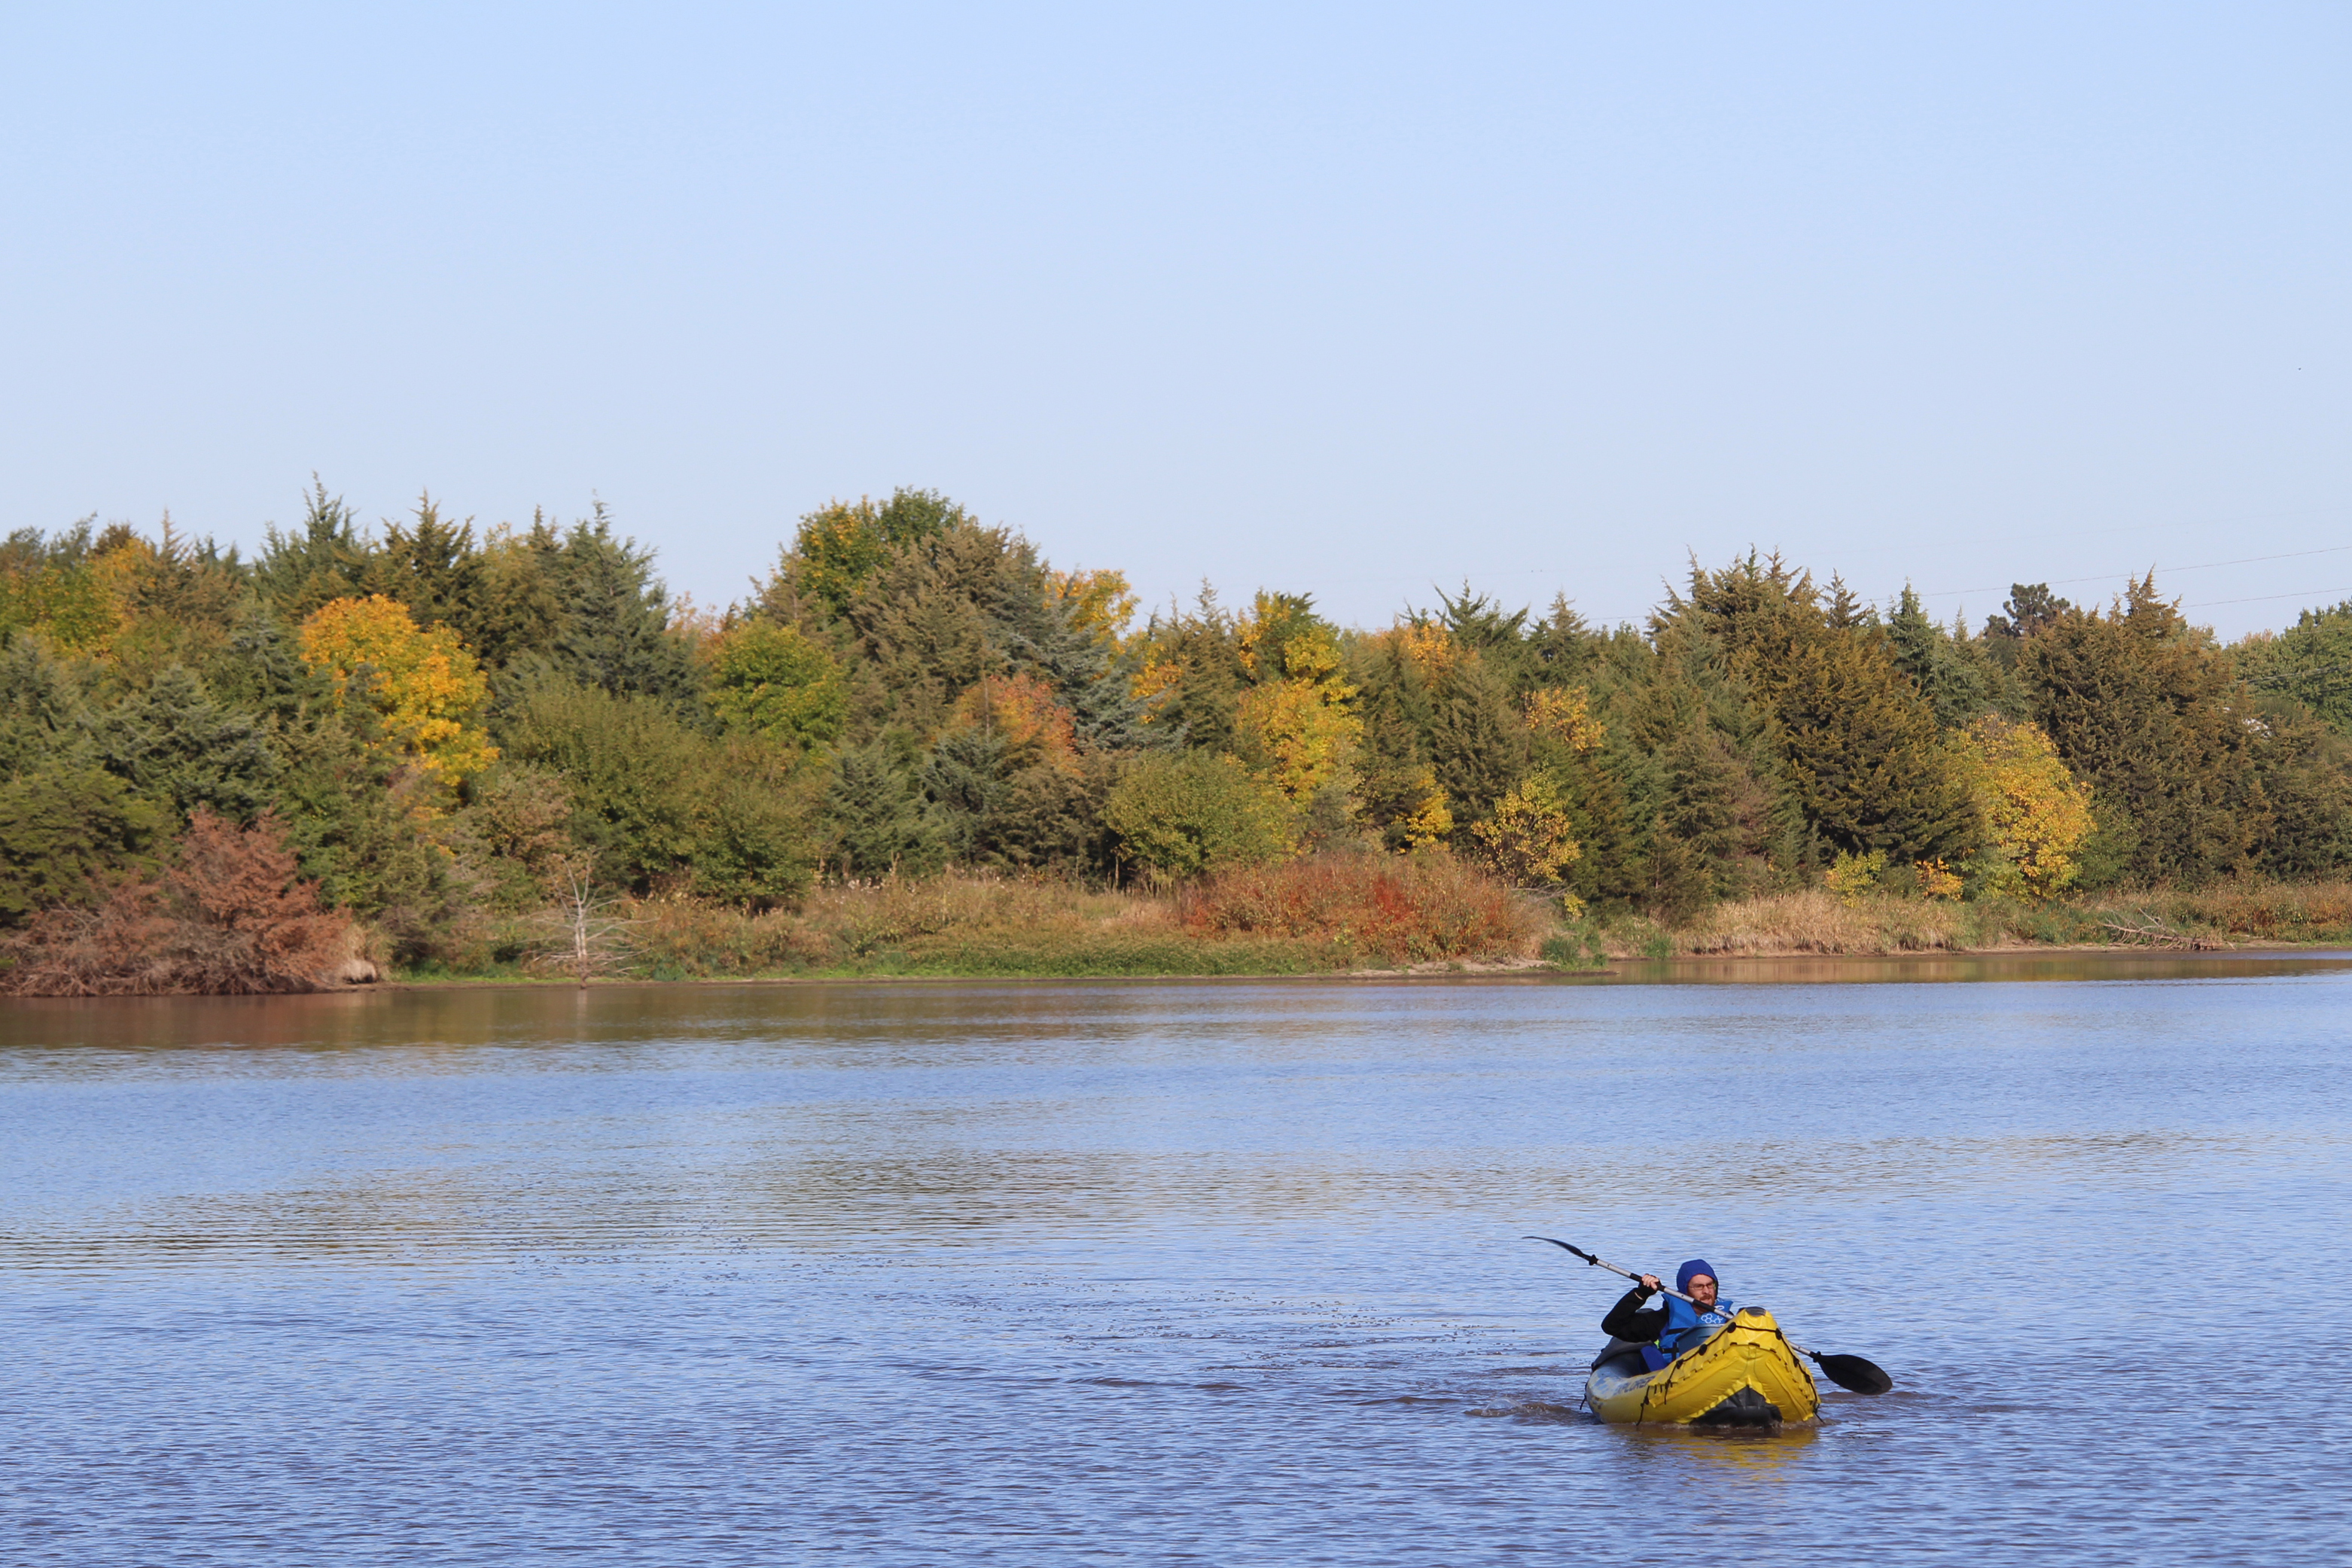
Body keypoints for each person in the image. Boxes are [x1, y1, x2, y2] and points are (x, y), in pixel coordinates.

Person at [1601, 1259, 1735, 1372]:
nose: (1706, 1291)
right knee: (1648, 1353)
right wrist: (1641, 1294)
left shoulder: (1727, 1318)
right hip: (1675, 1381)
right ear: (1685, 1290)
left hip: (1717, 1375)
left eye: (1710, 1285)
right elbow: (1612, 1326)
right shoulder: (1662, 1319)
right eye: (1699, 1287)